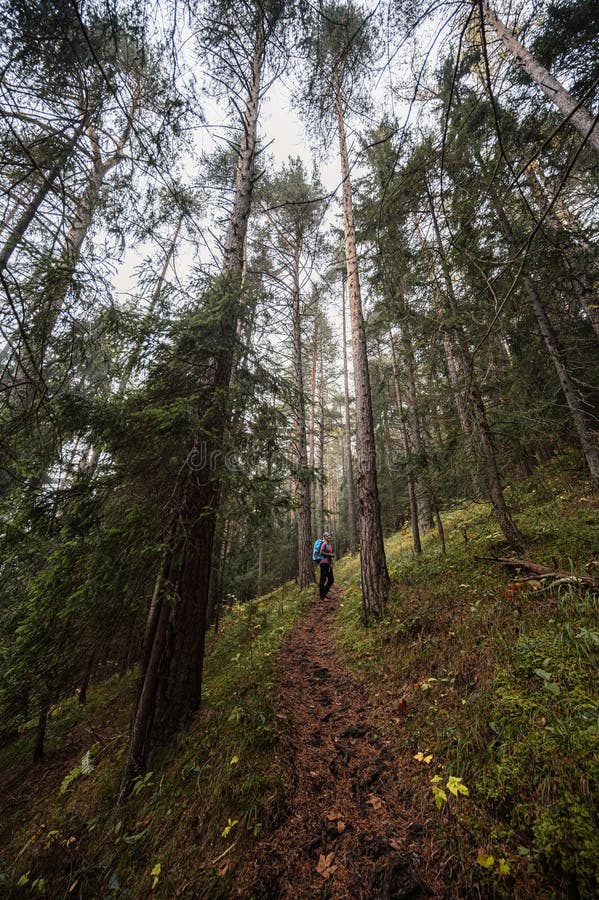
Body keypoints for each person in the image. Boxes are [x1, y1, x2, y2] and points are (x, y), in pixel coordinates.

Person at [318, 531, 334, 601]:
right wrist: (330, 555)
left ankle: (324, 594)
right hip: (323, 563)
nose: (328, 537)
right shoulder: (324, 544)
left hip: (328, 564)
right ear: (324, 537)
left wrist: (332, 563)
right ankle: (322, 596)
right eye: (327, 536)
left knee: (331, 580)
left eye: (329, 536)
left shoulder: (329, 545)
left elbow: (329, 555)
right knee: (323, 580)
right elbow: (321, 552)